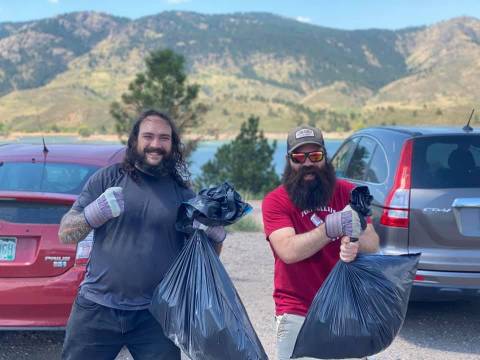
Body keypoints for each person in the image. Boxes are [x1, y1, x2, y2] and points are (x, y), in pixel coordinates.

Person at [59, 109, 225, 360]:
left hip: (155, 316)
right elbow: (66, 234)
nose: (155, 145)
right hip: (96, 310)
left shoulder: (183, 194)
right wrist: (93, 214)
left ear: (173, 144)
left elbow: (205, 260)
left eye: (164, 138)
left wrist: (215, 235)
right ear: (135, 140)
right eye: (148, 136)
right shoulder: (108, 179)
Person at [261, 125, 380, 360]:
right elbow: (288, 251)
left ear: (325, 157)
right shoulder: (276, 201)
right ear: (289, 160)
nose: (307, 163)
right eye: (299, 157)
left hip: (346, 308)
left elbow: (373, 243)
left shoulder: (348, 193)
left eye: (315, 156)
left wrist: (357, 241)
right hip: (297, 310)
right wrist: (329, 228)